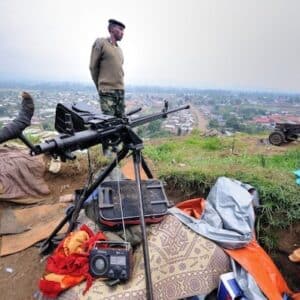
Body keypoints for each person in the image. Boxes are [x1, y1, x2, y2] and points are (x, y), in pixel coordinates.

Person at [89, 19, 126, 118]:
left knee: (121, 123)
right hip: (107, 91)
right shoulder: (101, 43)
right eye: (120, 29)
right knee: (110, 123)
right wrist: (101, 86)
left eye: (123, 30)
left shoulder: (119, 50)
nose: (123, 33)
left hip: (120, 91)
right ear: (112, 30)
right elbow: (93, 67)